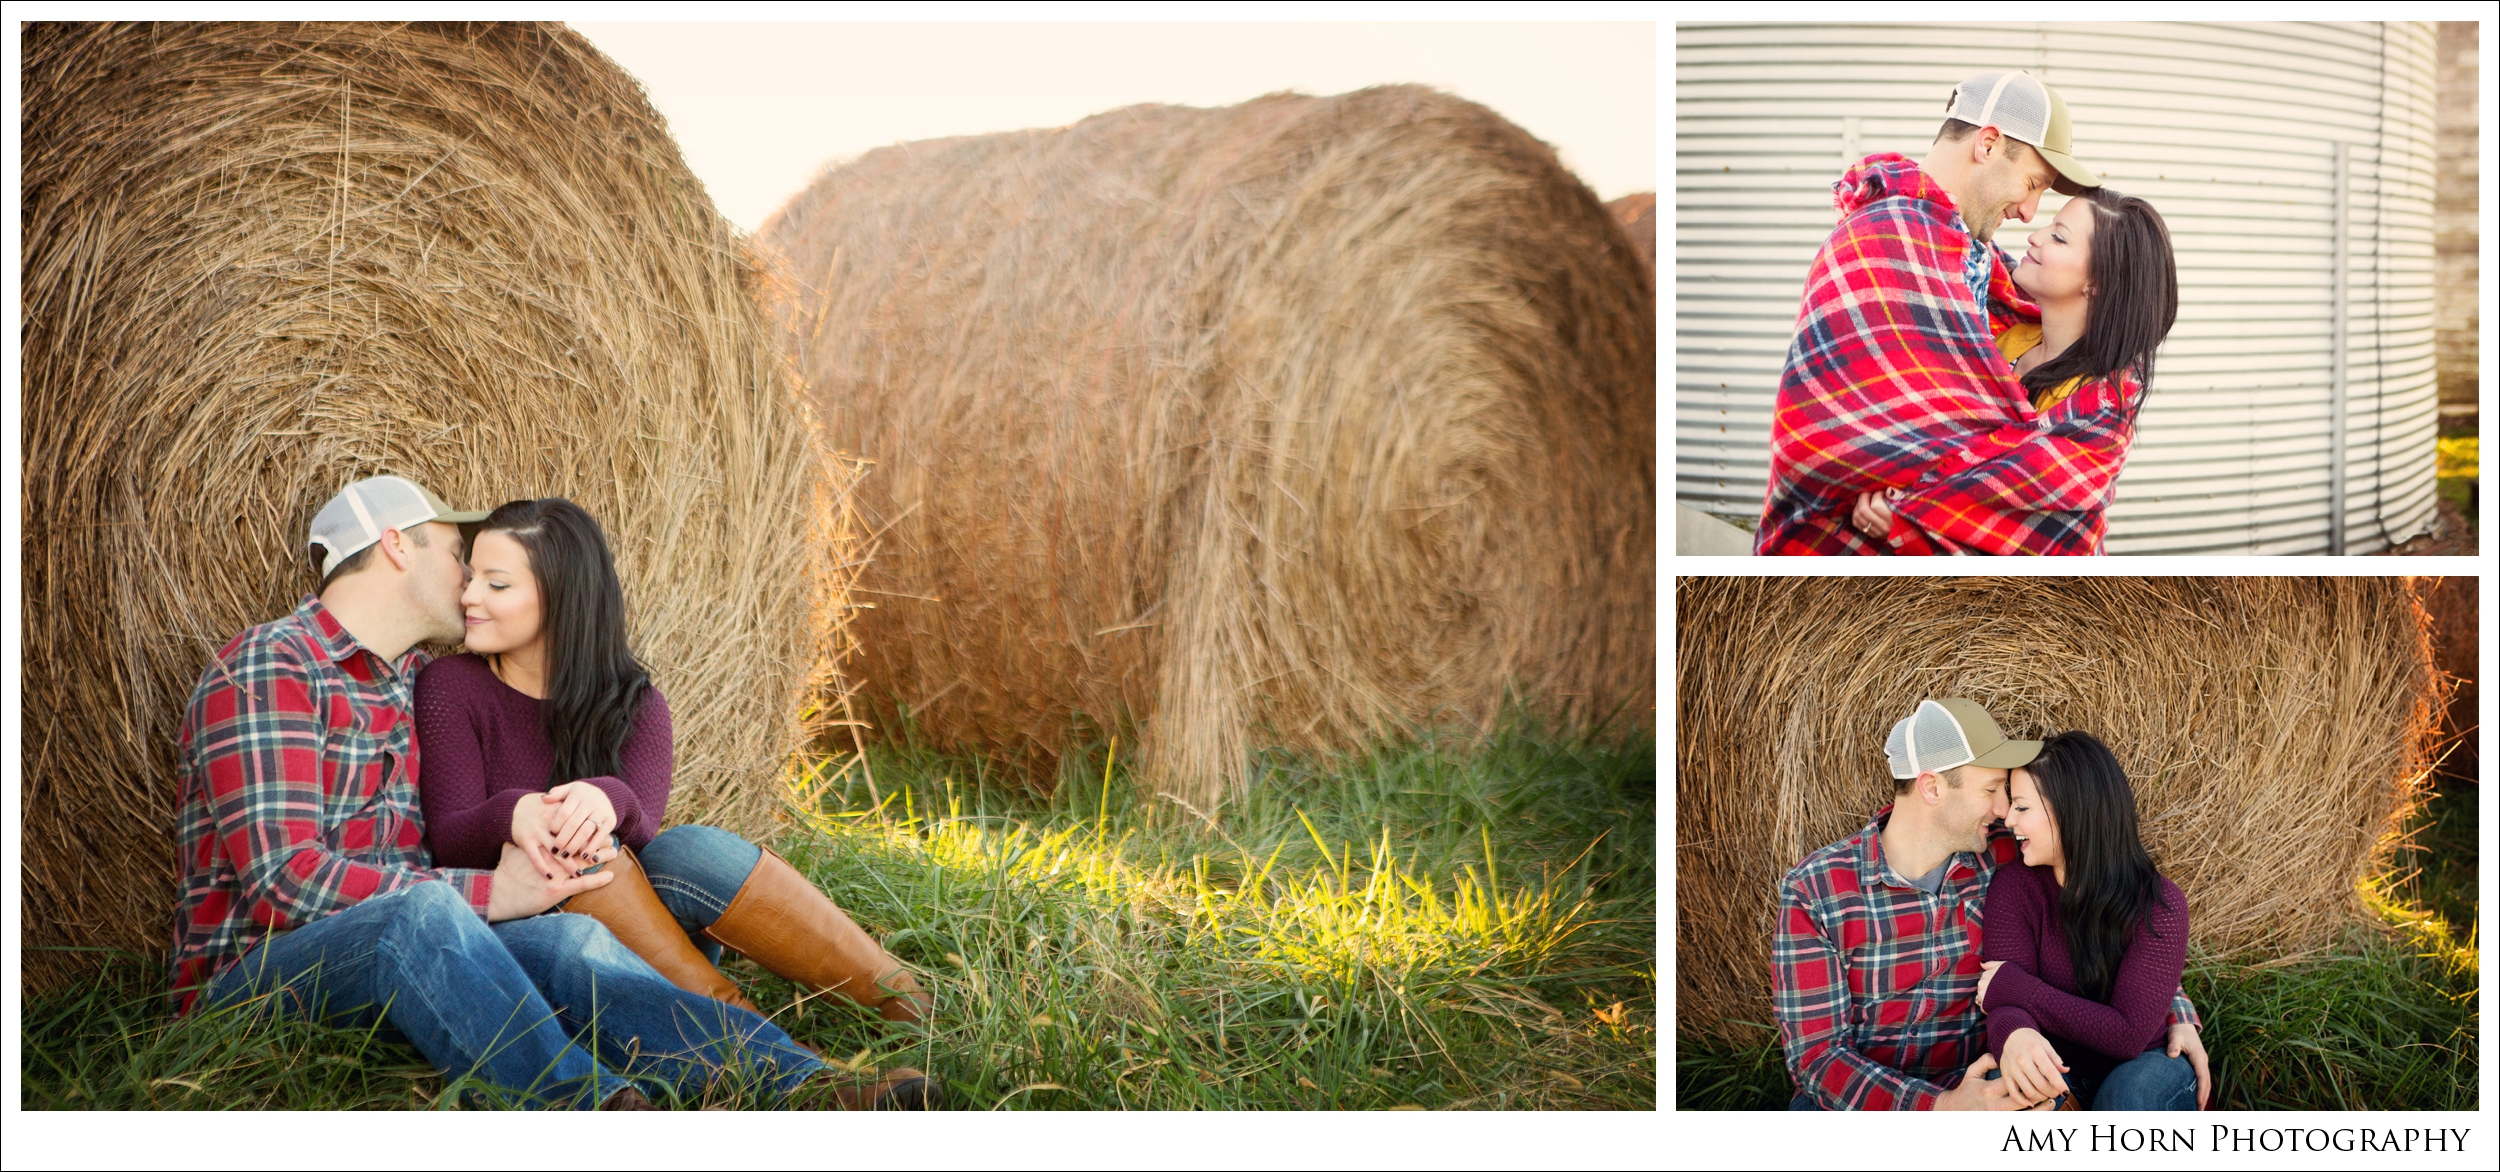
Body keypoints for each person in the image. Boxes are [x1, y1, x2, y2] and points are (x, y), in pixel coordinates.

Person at [170, 475, 917, 1110]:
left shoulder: (403, 682)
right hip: (257, 981)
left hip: (410, 951)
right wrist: (493, 895)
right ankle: (585, 1109)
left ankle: (801, 1086)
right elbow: (283, 881)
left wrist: (525, 883)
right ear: (399, 545)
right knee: (424, 913)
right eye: (458, 554)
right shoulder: (273, 665)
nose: (467, 581)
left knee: (570, 939)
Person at [414, 497, 928, 1026]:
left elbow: (643, 832)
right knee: (588, 855)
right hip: (535, 941)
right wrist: (518, 814)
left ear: (562, 598)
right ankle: (762, 1049)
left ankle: (906, 1006)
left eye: (496, 585)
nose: (469, 596)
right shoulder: (450, 687)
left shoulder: (634, 703)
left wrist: (606, 799)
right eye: (471, 575)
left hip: (643, 932)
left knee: (688, 849)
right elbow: (449, 837)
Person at [1757, 70, 2165, 555]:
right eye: (2033, 183)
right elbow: (1832, 431)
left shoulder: (1986, 277)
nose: (2030, 214)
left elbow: (1967, 422)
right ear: (1988, 145)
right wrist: (1908, 507)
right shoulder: (1881, 243)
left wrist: (1910, 509)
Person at [1770, 698, 2210, 1110]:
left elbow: (2106, 904)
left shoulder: (2005, 853)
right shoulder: (1817, 891)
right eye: (1991, 790)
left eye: (2013, 797)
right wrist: (1940, 1109)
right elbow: (1818, 1058)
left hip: (1982, 1080)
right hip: (1883, 1101)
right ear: (1932, 787)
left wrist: (2173, 1011)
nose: (2004, 810)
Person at [1850, 187, 2178, 553]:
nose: (2035, 236)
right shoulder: (1998, 334)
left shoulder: (2095, 409)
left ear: (2096, 282)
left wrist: (1906, 513)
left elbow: (2015, 513)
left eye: (2057, 237)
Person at [1979, 730, 2197, 1111]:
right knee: (2010, 1082)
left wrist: (2020, 988)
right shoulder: (2015, 887)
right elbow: (2003, 1002)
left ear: (2070, 811)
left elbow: (2128, 1034)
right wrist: (2014, 1032)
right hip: (2058, 1064)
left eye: (2023, 808)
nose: (2008, 818)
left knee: (2127, 1097)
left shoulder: (2159, 903)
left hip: (2143, 1064)